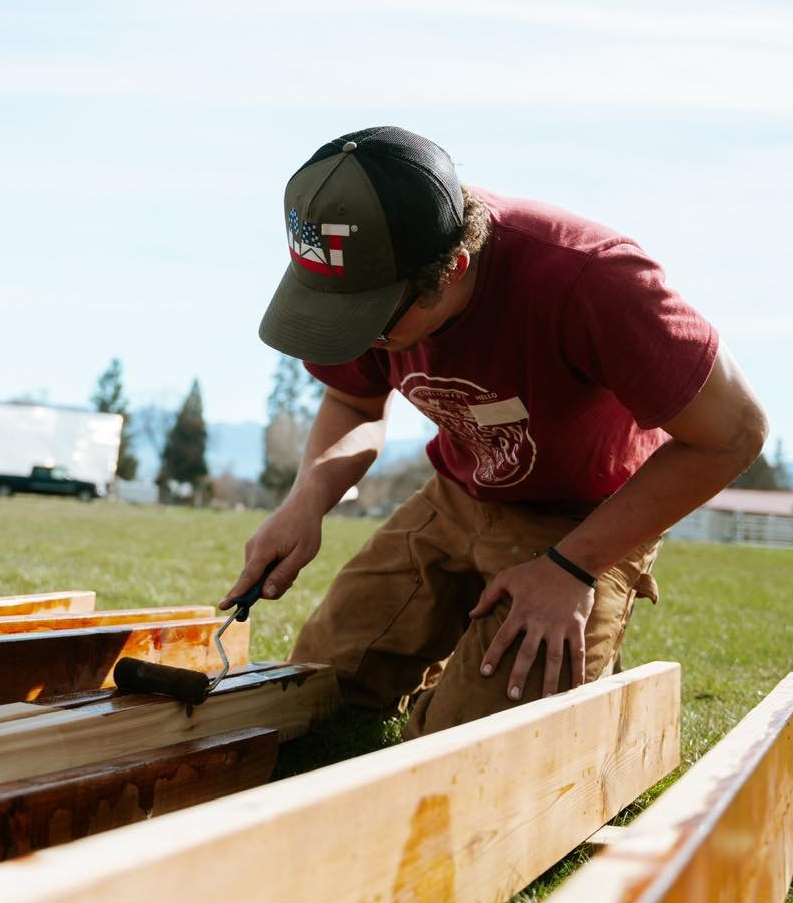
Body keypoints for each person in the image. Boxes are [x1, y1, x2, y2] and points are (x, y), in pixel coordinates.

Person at [221, 126, 768, 738]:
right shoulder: (374, 261)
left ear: (452, 266)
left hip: (587, 517)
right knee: (316, 691)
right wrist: (306, 501)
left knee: (464, 748)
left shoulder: (591, 279)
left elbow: (736, 433)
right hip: (459, 494)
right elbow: (353, 404)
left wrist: (572, 567)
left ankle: (585, 645)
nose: (361, 338)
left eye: (372, 321)